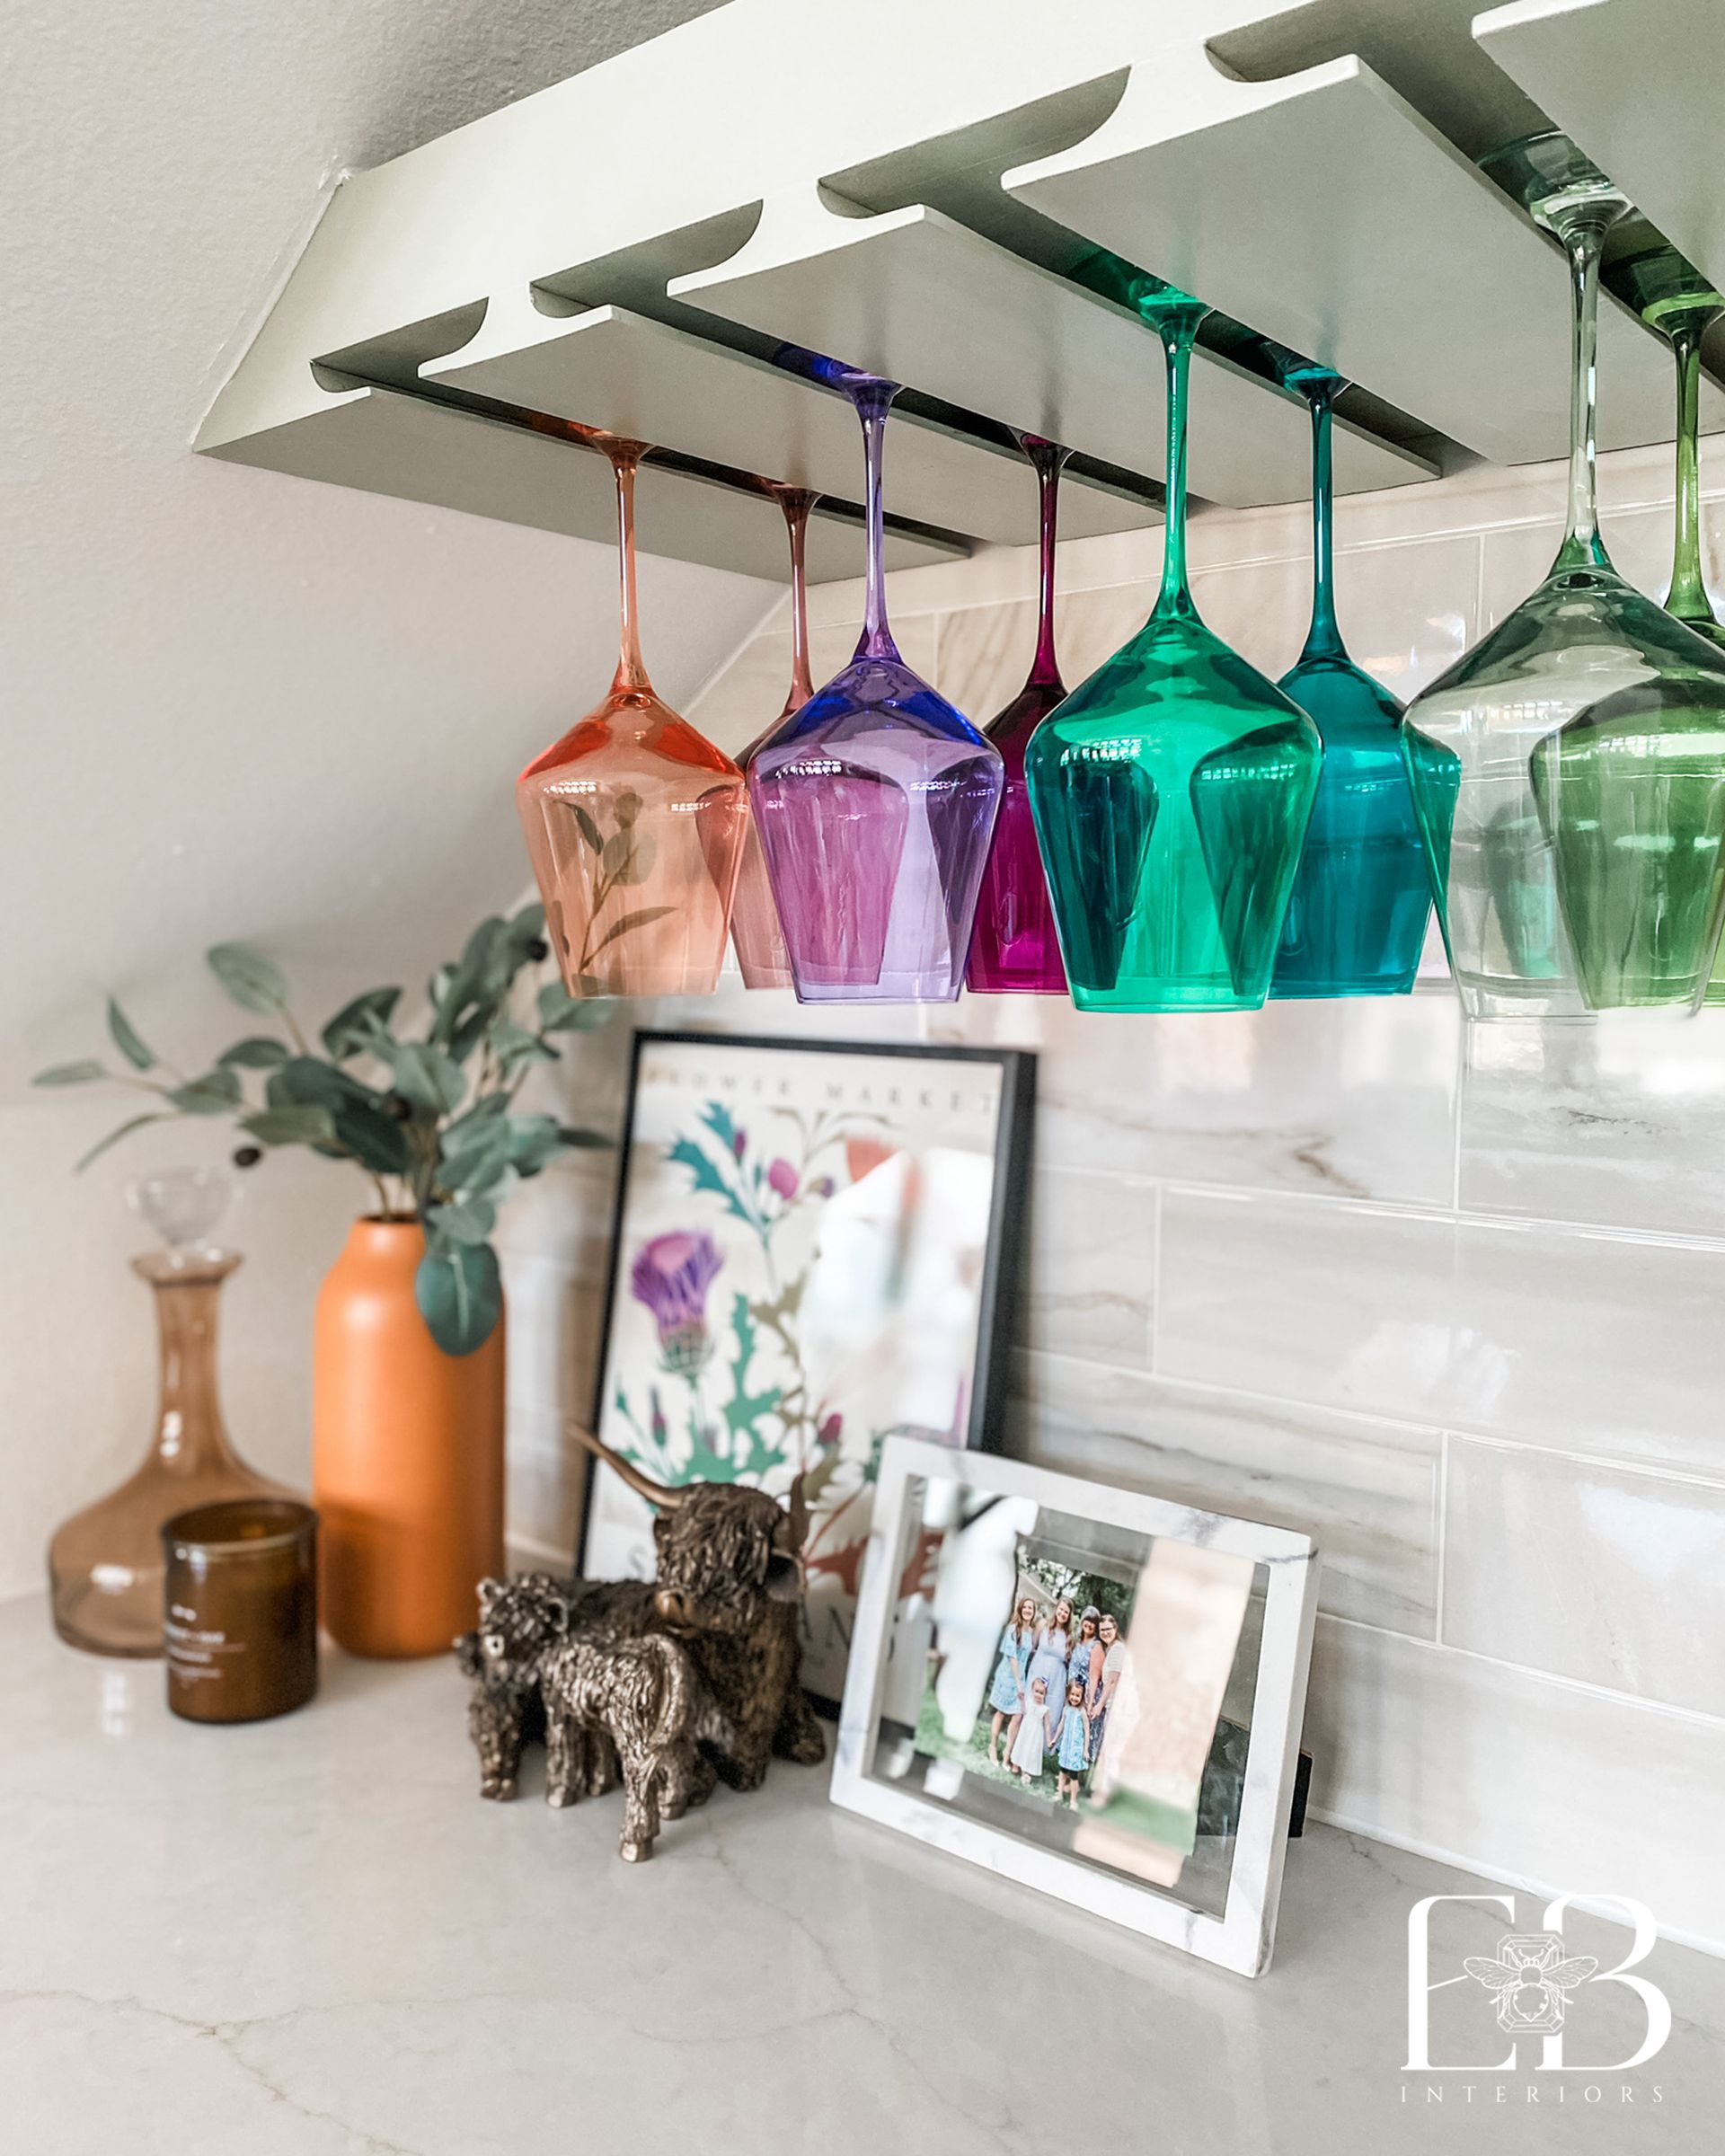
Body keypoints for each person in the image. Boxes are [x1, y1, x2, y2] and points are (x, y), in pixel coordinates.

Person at [986, 1595, 1039, 1767]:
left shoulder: (1031, 1633)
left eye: (1031, 1608)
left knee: (1018, 1715)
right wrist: (1018, 1682)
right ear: (1020, 1609)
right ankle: (993, 1747)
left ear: (1033, 1612)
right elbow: (1012, 1657)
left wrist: (1023, 1681)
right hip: (1008, 1676)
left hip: (1020, 1678)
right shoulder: (1012, 1628)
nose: (1027, 1610)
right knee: (1001, 1712)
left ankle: (1007, 1752)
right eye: (1025, 1607)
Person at [1025, 1597, 1075, 1753]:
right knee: (1030, 1710)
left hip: (1056, 1681)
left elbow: (1069, 1661)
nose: (1063, 1613)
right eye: (1061, 1609)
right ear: (1056, 1609)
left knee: (1050, 1715)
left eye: (1066, 1612)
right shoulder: (1042, 1625)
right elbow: (1030, 1648)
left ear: (1069, 1615)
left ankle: (1037, 1752)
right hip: (1037, 1674)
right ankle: (1022, 1747)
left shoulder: (1070, 1637)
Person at [1090, 1610, 1128, 1767]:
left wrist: (1099, 1705)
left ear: (1115, 1628)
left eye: (1108, 1629)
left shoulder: (1118, 1649)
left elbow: (1112, 1681)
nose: (1105, 1633)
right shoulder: (1111, 1649)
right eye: (1102, 1630)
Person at [1008, 1674, 1054, 1782]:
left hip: (1035, 1734)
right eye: (1036, 1691)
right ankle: (1016, 1764)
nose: (1038, 1695)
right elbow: (1023, 1711)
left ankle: (1026, 1771)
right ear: (1032, 1691)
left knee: (1030, 1751)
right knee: (1021, 1745)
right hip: (1026, 1730)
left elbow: (1047, 1726)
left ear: (1045, 1694)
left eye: (1041, 1693)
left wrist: (1048, 1741)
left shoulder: (1045, 1709)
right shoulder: (1028, 1701)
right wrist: (1022, 1700)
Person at [1055, 1675, 1091, 1807]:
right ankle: (1059, 1793)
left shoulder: (1082, 1712)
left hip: (1075, 1749)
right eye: (1073, 1695)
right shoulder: (1066, 1709)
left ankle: (1073, 1800)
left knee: (1073, 1776)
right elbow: (1061, 1726)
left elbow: (1087, 1731)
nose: (1075, 1698)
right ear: (1068, 1694)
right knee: (1062, 1770)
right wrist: (1055, 1739)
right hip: (1066, 1748)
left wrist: (1085, 1749)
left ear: (1082, 1697)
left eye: (1078, 1696)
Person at [1067, 1605, 1102, 1718]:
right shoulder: (1078, 1642)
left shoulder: (1096, 1645)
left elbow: (1094, 1677)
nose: (1089, 1625)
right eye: (1087, 1620)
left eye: (1093, 1622)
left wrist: (1090, 1703)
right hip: (1072, 1694)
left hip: (1084, 1697)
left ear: (1096, 1627)